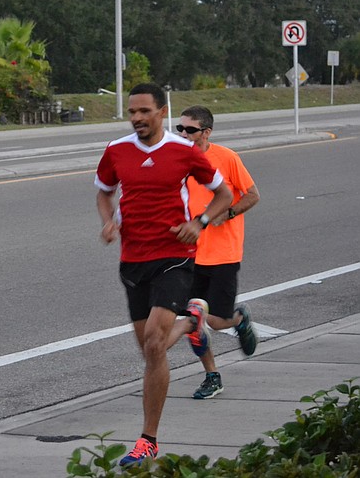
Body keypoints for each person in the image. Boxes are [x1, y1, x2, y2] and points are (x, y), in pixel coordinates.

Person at [94, 83, 232, 466]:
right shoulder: (116, 151)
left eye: (144, 111)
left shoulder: (183, 150)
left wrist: (199, 222)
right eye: (132, 112)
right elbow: (104, 192)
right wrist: (108, 223)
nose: (137, 118)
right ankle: (193, 322)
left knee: (155, 344)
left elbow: (224, 195)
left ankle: (147, 440)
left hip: (174, 255)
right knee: (150, 351)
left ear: (162, 111)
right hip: (132, 259)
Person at [177, 106, 260, 400]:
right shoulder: (178, 160)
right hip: (189, 254)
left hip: (224, 252)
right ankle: (212, 375)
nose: (184, 134)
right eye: (180, 129)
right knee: (193, 320)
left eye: (190, 130)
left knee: (215, 320)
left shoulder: (227, 158)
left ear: (206, 133)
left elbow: (253, 194)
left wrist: (231, 212)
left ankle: (238, 318)